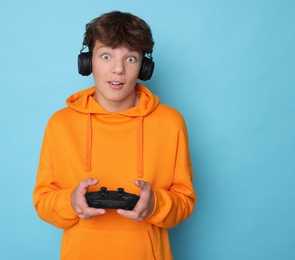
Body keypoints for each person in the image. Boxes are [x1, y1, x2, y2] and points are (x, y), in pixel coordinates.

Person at [33, 11, 196, 260]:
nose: (118, 69)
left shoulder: (170, 123)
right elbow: (43, 201)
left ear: (144, 66)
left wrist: (155, 204)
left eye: (130, 58)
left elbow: (184, 202)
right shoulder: (61, 124)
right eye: (106, 56)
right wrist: (70, 201)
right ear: (87, 62)